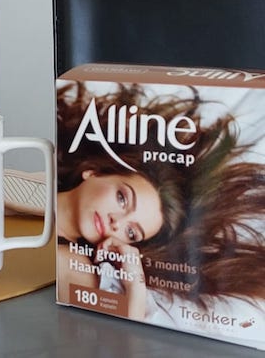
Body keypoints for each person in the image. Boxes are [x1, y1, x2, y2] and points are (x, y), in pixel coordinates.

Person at [55, 81, 265, 321]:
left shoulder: (70, 263)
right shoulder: (33, 180)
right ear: (93, 171)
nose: (117, 223)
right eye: (122, 199)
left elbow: (117, 342)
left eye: (132, 232)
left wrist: (135, 285)